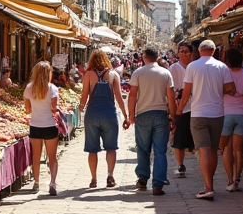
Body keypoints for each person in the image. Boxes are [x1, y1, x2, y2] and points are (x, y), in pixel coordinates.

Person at [177, 39, 234, 200]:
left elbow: (186, 92)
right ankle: (211, 184)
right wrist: (217, 89)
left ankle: (208, 187)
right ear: (214, 50)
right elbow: (231, 89)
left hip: (198, 113)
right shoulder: (222, 67)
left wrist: (180, 109)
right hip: (217, 113)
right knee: (214, 150)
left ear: (199, 51)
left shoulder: (192, 67)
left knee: (203, 150)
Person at [127, 48, 177, 195]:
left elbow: (132, 96)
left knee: (143, 148)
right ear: (158, 57)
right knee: (160, 150)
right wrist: (173, 116)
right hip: (161, 114)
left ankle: (142, 178)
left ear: (144, 57)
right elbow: (171, 97)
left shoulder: (138, 72)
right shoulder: (165, 73)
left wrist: (131, 115)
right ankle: (158, 184)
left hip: (143, 114)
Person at [79, 49, 129, 188]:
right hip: (109, 114)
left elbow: (84, 95)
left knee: (92, 149)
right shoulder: (113, 75)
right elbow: (119, 98)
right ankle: (110, 176)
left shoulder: (88, 74)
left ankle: (94, 179)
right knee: (111, 147)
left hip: (92, 114)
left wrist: (81, 107)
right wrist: (126, 116)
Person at [24, 61, 61, 196]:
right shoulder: (52, 88)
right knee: (52, 157)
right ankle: (52, 183)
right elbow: (53, 108)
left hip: (35, 125)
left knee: (36, 156)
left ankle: (36, 183)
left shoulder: (29, 88)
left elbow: (27, 110)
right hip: (50, 125)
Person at [221, 48, 243, 192]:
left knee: (226, 148)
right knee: (238, 149)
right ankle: (237, 179)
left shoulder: (223, 74)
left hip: (225, 114)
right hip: (242, 114)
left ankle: (229, 180)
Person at [168, 42, 195, 178]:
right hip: (180, 108)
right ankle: (180, 164)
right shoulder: (173, 68)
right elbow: (170, 89)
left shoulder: (195, 67)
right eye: (181, 51)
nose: (183, 54)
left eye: (185, 51)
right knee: (179, 139)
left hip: (195, 107)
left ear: (191, 53)